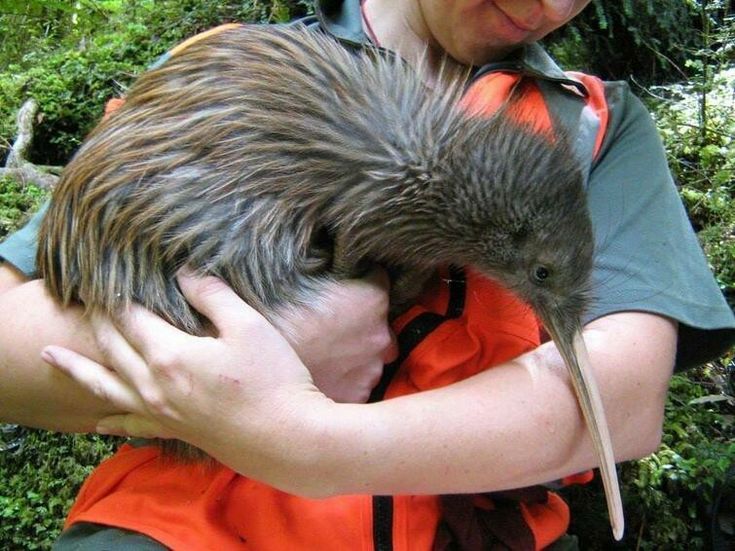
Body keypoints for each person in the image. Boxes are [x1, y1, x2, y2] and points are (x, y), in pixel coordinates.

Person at [1, 0, 733, 548]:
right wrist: (279, 342)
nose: (544, 4)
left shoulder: (592, 125)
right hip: (172, 527)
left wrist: (311, 442)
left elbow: (624, 400)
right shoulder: (231, 64)